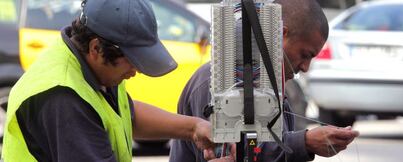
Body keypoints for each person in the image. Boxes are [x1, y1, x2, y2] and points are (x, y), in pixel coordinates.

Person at [2, 0, 215, 161]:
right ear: (96, 48)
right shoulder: (63, 98)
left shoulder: (90, 66)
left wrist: (194, 127)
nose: (136, 71)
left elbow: (123, 114)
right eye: (133, 61)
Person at [169, 0, 359, 162]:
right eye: (305, 55)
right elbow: (236, 152)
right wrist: (305, 142)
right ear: (280, 35)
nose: (305, 67)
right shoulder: (217, 84)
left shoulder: (274, 89)